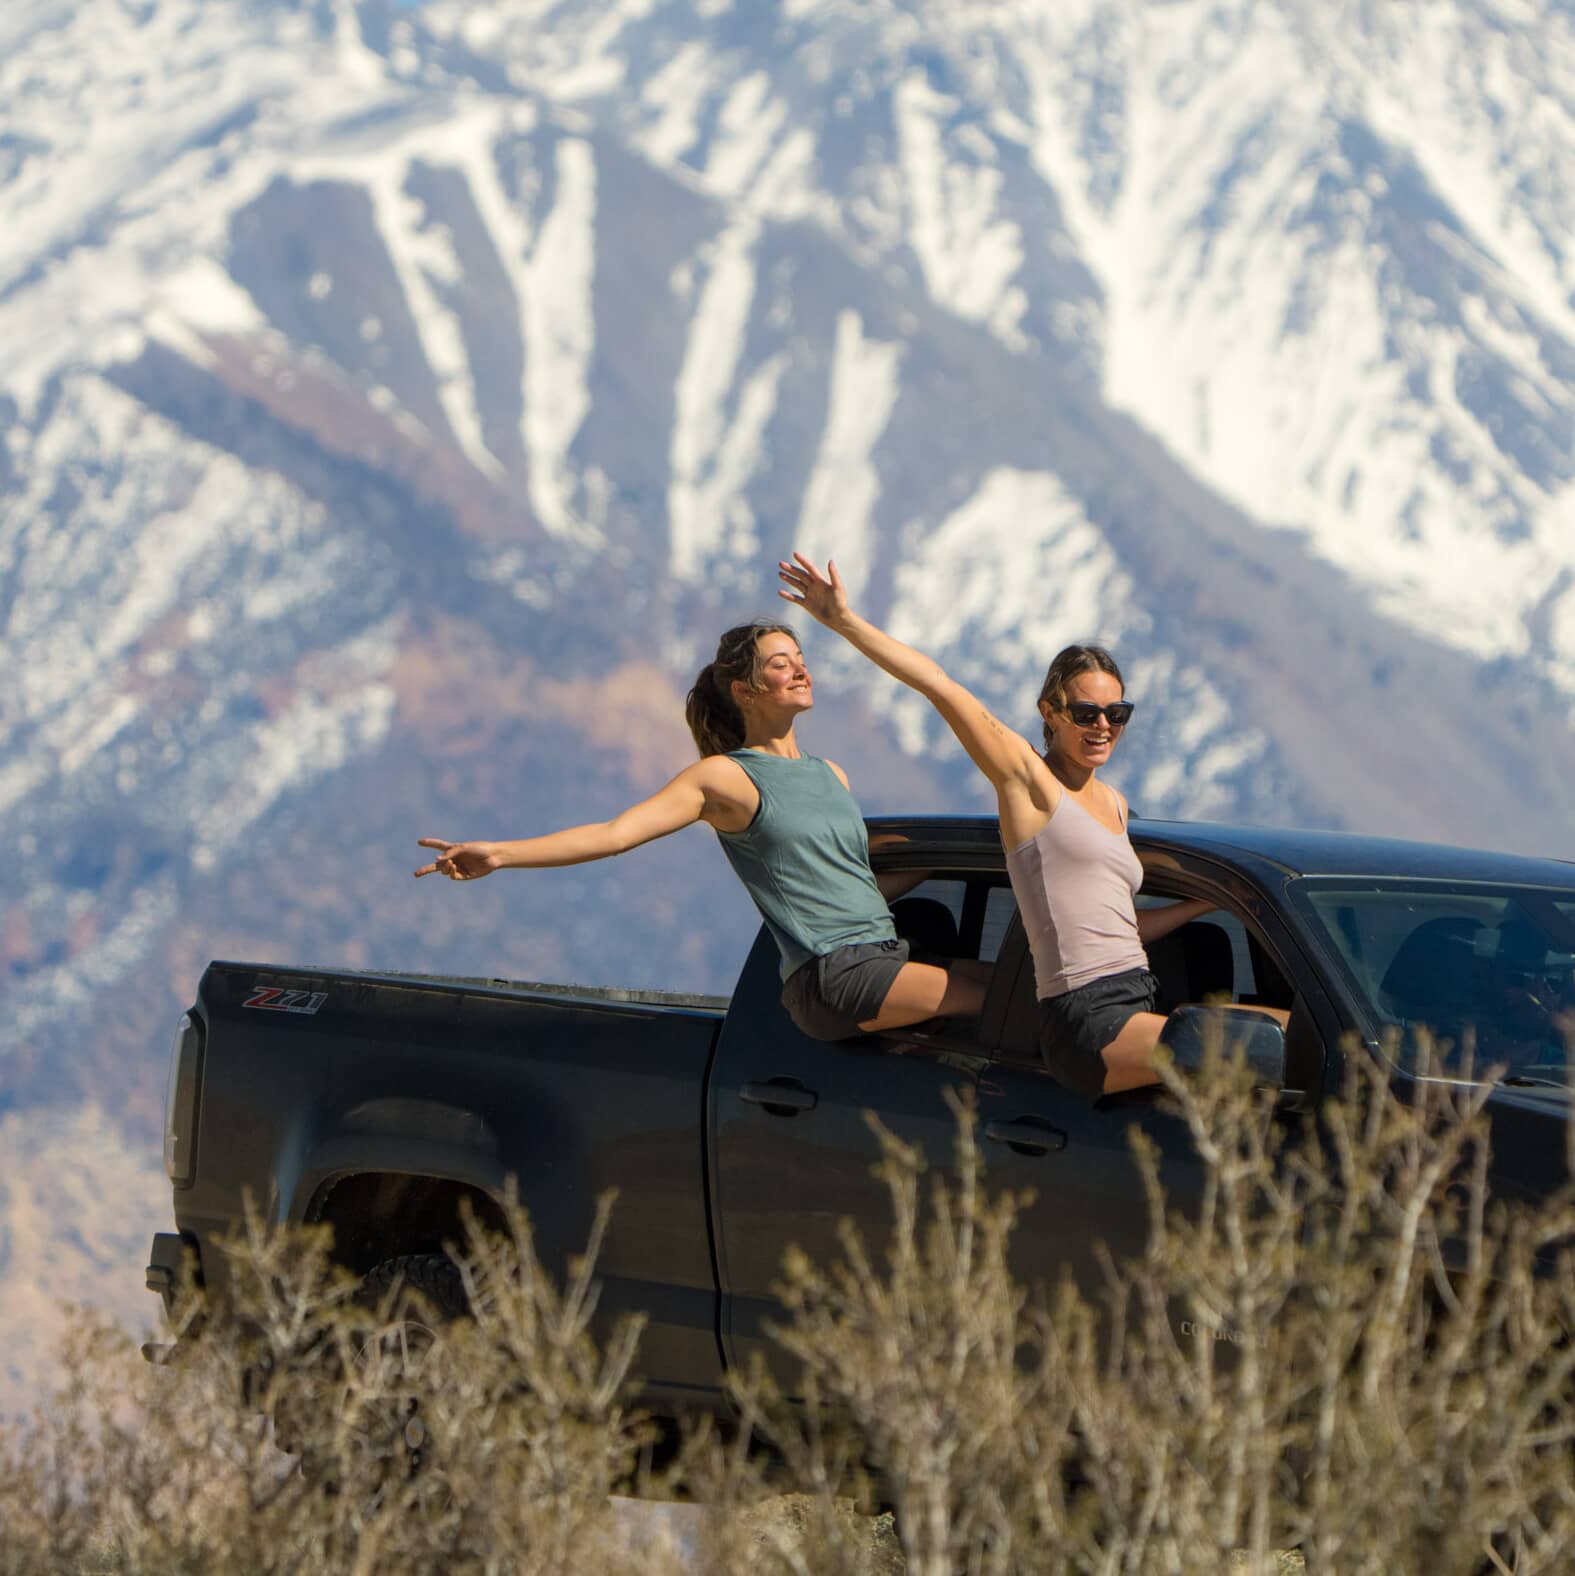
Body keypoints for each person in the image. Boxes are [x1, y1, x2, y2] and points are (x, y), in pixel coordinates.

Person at [776, 553, 1229, 1098]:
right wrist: (842, 621)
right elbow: (940, 687)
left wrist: (1208, 904)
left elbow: (1115, 924)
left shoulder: (1116, 805)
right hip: (1085, 1015)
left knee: (1292, 1035)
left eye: (1118, 713)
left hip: (1136, 996)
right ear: (1050, 712)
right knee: (1250, 1058)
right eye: (1086, 713)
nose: (1104, 725)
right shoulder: (1030, 785)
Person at [415, 621, 987, 1041]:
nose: (800, 669)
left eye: (800, 657)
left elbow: (851, 889)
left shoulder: (831, 774)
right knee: (999, 1002)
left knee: (1027, 987)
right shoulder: (726, 778)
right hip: (834, 975)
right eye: (780, 663)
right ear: (746, 690)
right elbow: (617, 832)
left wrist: (964, 856)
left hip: (884, 952)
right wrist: (500, 853)